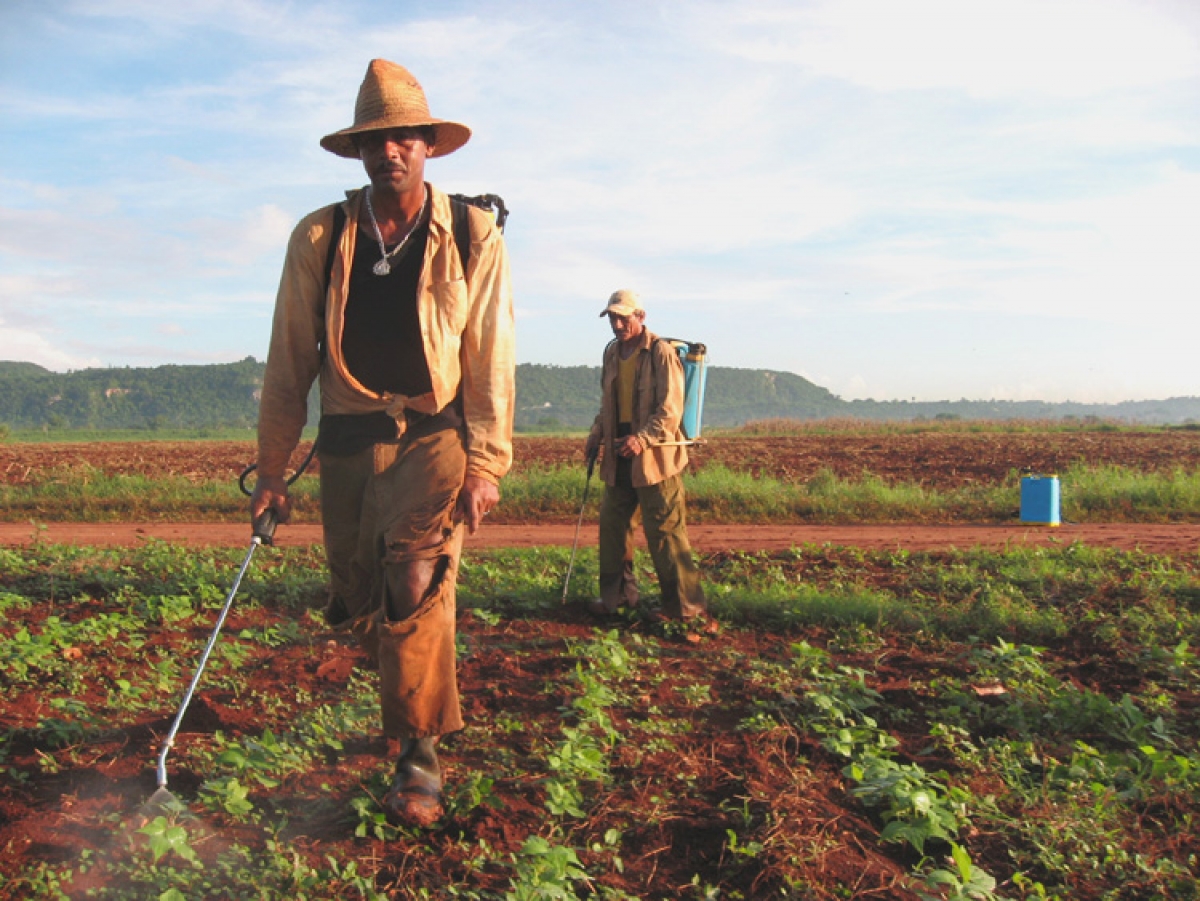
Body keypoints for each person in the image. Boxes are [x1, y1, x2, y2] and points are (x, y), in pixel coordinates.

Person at [250, 59, 515, 828]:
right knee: (362, 599)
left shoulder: (472, 231)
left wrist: (488, 459)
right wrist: (272, 471)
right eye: (375, 140)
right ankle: (412, 714)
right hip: (346, 437)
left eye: (403, 136)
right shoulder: (322, 235)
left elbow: (490, 350)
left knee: (415, 577)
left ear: (428, 145)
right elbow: (289, 355)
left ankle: (418, 760)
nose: (389, 151)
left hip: (435, 433)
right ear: (358, 152)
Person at [584, 290, 709, 626]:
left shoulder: (660, 353)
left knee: (666, 532)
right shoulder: (612, 353)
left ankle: (685, 608)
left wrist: (642, 439)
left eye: (624, 317)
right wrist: (597, 435)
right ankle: (618, 599)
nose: (618, 324)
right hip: (618, 453)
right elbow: (606, 403)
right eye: (612, 318)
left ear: (641, 316)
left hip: (655, 457)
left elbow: (670, 410)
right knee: (613, 528)